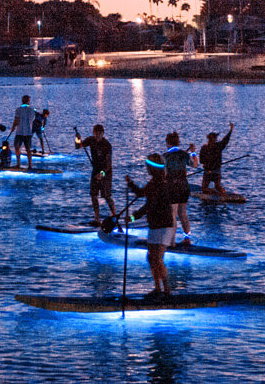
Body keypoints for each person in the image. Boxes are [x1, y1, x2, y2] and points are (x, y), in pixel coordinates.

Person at [124, 154, 175, 298]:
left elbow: (148, 205)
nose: (146, 168)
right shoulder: (153, 183)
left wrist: (133, 217)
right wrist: (131, 184)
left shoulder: (161, 185)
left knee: (158, 258)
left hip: (164, 225)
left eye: (148, 166)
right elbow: (141, 193)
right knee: (151, 258)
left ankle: (167, 291)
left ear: (153, 168)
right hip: (154, 225)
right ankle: (157, 289)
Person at [74, 124, 117, 226]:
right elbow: (77, 146)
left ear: (103, 134)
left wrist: (102, 174)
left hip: (106, 172)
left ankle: (114, 216)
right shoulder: (91, 140)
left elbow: (108, 164)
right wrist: (77, 139)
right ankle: (97, 219)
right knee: (93, 195)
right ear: (93, 133)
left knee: (106, 196)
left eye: (100, 133)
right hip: (95, 170)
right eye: (96, 133)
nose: (98, 135)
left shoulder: (107, 145)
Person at [162, 131, 193, 242]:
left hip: (173, 188)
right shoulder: (184, 154)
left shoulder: (165, 157)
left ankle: (172, 241)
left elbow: (163, 174)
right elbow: (194, 164)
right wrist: (193, 153)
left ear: (168, 143)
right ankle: (187, 238)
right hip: (184, 187)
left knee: (173, 215)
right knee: (183, 213)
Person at [198, 125, 234, 195]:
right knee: (217, 186)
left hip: (207, 172)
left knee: (204, 189)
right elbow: (226, 140)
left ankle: (215, 192)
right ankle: (220, 191)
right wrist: (231, 130)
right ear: (215, 139)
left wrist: (206, 163)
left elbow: (201, 161)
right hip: (217, 171)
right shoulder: (219, 146)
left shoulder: (204, 148)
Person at [11, 95, 36, 169]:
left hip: (20, 132)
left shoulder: (18, 110)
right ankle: (30, 165)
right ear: (28, 101)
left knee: (17, 147)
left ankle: (18, 164)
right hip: (28, 132)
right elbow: (33, 119)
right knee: (28, 148)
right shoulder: (32, 110)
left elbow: (16, 119)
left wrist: (13, 127)